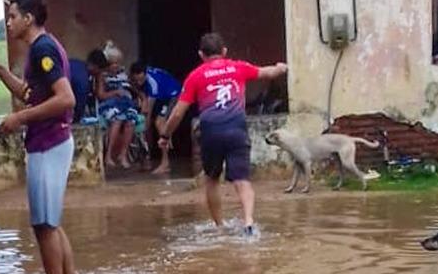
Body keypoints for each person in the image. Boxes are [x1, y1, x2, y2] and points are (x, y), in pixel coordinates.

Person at [0, 0, 78, 274]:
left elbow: (66, 98)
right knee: (51, 221)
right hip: (51, 140)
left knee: (43, 225)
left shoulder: (42, 49)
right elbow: (28, 94)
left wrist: (20, 118)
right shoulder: (41, 48)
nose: (8, 23)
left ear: (28, 19)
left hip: (48, 142)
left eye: (13, 16)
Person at [158, 33, 288, 235]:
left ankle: (219, 227)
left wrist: (165, 135)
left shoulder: (195, 76)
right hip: (237, 127)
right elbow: (267, 72)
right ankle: (248, 222)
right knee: (242, 180)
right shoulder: (238, 67)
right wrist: (281, 68)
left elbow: (177, 113)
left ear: (201, 54)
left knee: (211, 179)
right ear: (224, 51)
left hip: (211, 130)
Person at [86, 42, 141, 170]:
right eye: (113, 63)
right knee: (118, 118)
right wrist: (115, 92)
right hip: (109, 104)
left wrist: (140, 97)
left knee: (131, 119)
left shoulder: (123, 75)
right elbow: (100, 95)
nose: (116, 66)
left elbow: (132, 88)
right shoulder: (102, 76)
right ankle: (109, 156)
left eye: (118, 63)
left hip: (125, 104)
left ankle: (123, 155)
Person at [129, 61, 183, 175]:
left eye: (141, 80)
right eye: (136, 80)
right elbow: (135, 87)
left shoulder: (153, 82)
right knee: (145, 124)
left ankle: (165, 163)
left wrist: (145, 125)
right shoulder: (133, 80)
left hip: (172, 95)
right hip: (160, 96)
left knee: (159, 122)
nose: (138, 83)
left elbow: (149, 110)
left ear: (145, 74)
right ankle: (147, 159)